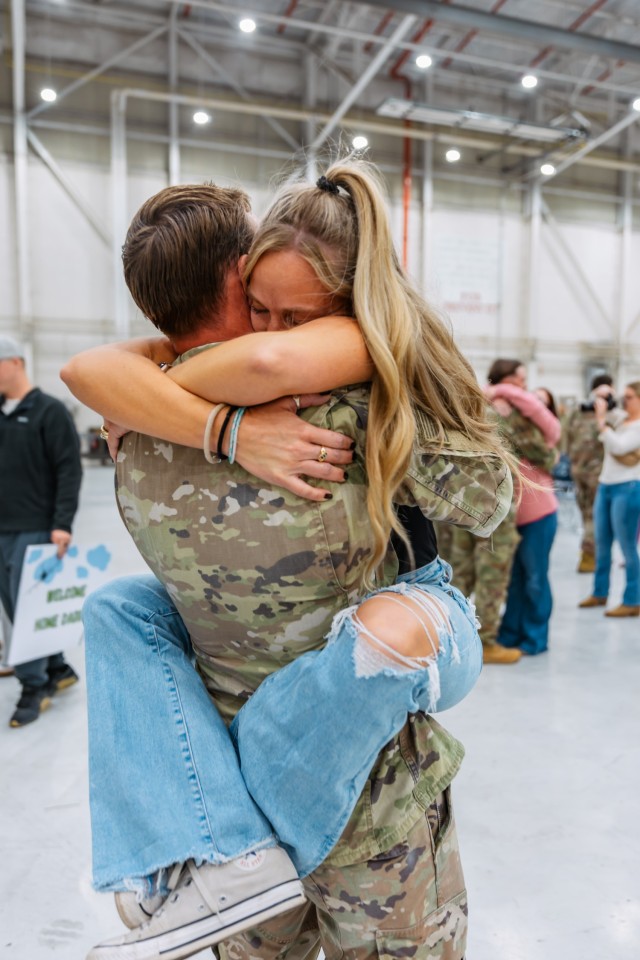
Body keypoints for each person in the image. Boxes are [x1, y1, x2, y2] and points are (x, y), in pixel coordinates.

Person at [62, 169, 512, 960]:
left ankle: (190, 858)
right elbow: (489, 501)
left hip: (230, 807)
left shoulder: (135, 430)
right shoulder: (350, 407)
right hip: (372, 812)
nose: (274, 331)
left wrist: (176, 394)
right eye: (264, 309)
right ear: (242, 275)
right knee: (404, 626)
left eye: (291, 316)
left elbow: (107, 370)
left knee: (119, 608)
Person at [445, 359, 555, 665]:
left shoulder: (464, 408)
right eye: (519, 380)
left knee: (461, 572)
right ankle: (487, 641)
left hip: (461, 502)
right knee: (493, 575)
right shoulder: (506, 414)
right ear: (506, 382)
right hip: (496, 506)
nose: (522, 386)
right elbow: (546, 453)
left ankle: (449, 631)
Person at [0, 335, 82, 727]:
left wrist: (61, 524)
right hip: (2, 528)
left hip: (35, 529)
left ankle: (34, 687)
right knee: (18, 610)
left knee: (28, 612)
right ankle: (58, 668)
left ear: (14, 362)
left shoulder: (50, 412)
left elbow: (69, 470)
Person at [490, 381, 561, 655]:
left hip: (539, 516)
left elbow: (535, 410)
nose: (534, 405)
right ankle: (509, 635)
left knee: (535, 579)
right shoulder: (510, 431)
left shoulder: (547, 436)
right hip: (511, 520)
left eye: (542, 402)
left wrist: (501, 390)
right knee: (515, 580)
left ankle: (535, 638)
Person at [579, 381, 640, 617]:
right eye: (623, 396)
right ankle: (599, 592)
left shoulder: (636, 426)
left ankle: (633, 599)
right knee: (601, 544)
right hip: (606, 485)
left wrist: (602, 423)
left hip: (628, 487)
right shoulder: (622, 419)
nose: (625, 401)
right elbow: (600, 404)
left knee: (627, 547)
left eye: (630, 397)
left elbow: (619, 446)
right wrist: (604, 396)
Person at [565, 374, 615, 573]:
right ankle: (590, 556)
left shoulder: (580, 411)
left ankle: (589, 554)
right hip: (595, 472)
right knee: (593, 515)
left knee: (588, 513)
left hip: (581, 470)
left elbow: (566, 436)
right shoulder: (601, 412)